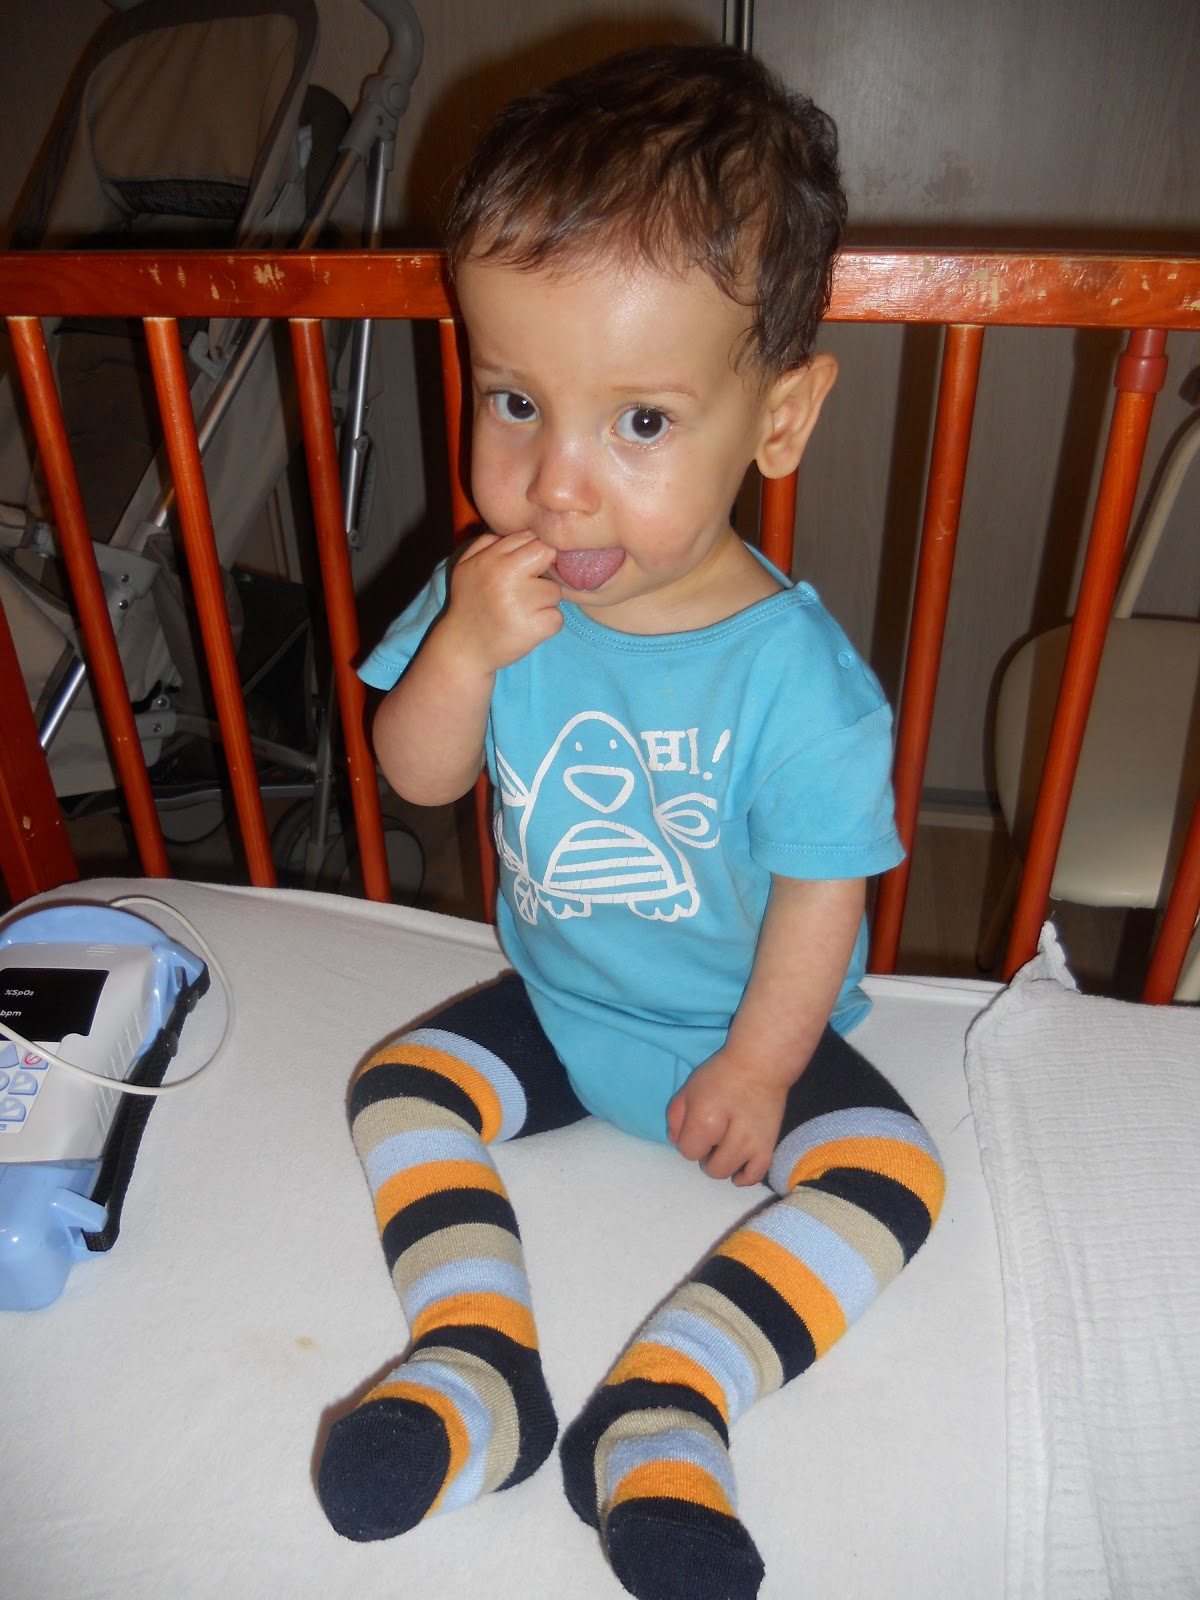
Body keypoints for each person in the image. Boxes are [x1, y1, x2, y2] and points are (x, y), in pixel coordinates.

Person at [316, 43, 944, 1600]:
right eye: (516, 401)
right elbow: (417, 778)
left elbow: (823, 893)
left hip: (733, 1035)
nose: (557, 484)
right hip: (557, 1004)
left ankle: (668, 1407)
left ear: (779, 419)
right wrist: (461, 655)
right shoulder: (493, 595)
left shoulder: (800, 683)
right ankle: (476, 1364)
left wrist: (765, 1065)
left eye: (641, 424)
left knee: (892, 1176)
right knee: (400, 1088)